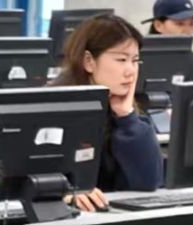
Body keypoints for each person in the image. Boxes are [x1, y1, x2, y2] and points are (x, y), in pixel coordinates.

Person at [53, 14, 163, 205]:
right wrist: (63, 194)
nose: (131, 71)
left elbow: (149, 183)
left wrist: (127, 117)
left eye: (135, 61)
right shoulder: (54, 108)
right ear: (89, 61)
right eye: (121, 60)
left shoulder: (123, 112)